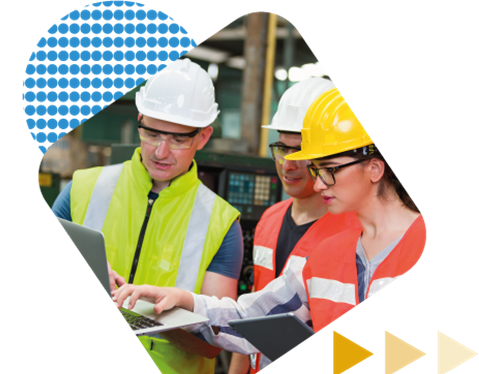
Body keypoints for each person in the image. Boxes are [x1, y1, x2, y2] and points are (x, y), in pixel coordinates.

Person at [111, 87, 427, 360]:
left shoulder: (418, 244)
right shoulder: (325, 257)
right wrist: (183, 301)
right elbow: (250, 319)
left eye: (329, 168)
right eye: (316, 169)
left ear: (374, 168)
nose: (318, 185)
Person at [51, 58, 243, 374]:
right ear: (139, 121)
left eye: (178, 139)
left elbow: (215, 342)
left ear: (204, 136)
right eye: (152, 133)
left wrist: (158, 316)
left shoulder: (221, 222)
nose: (161, 151)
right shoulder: (83, 188)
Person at [222, 78, 361, 374]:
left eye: (302, 150)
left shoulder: (355, 231)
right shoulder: (269, 219)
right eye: (283, 148)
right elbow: (251, 313)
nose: (289, 162)